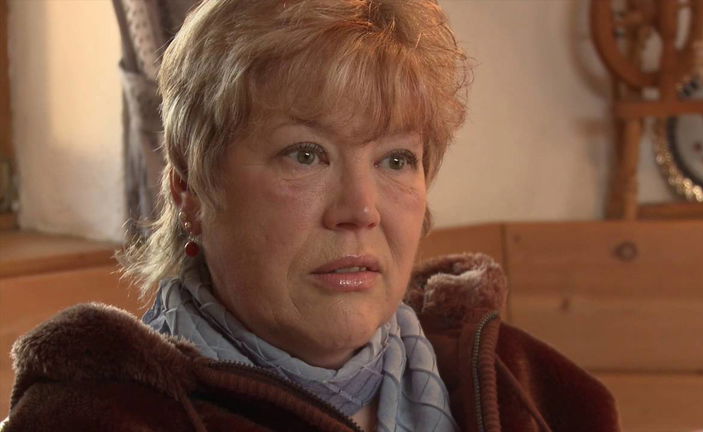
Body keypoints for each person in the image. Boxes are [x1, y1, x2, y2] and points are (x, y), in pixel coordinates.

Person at [3, 0, 620, 431]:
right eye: (306, 154)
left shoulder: (532, 387)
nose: (360, 209)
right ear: (189, 191)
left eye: (396, 159)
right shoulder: (99, 416)